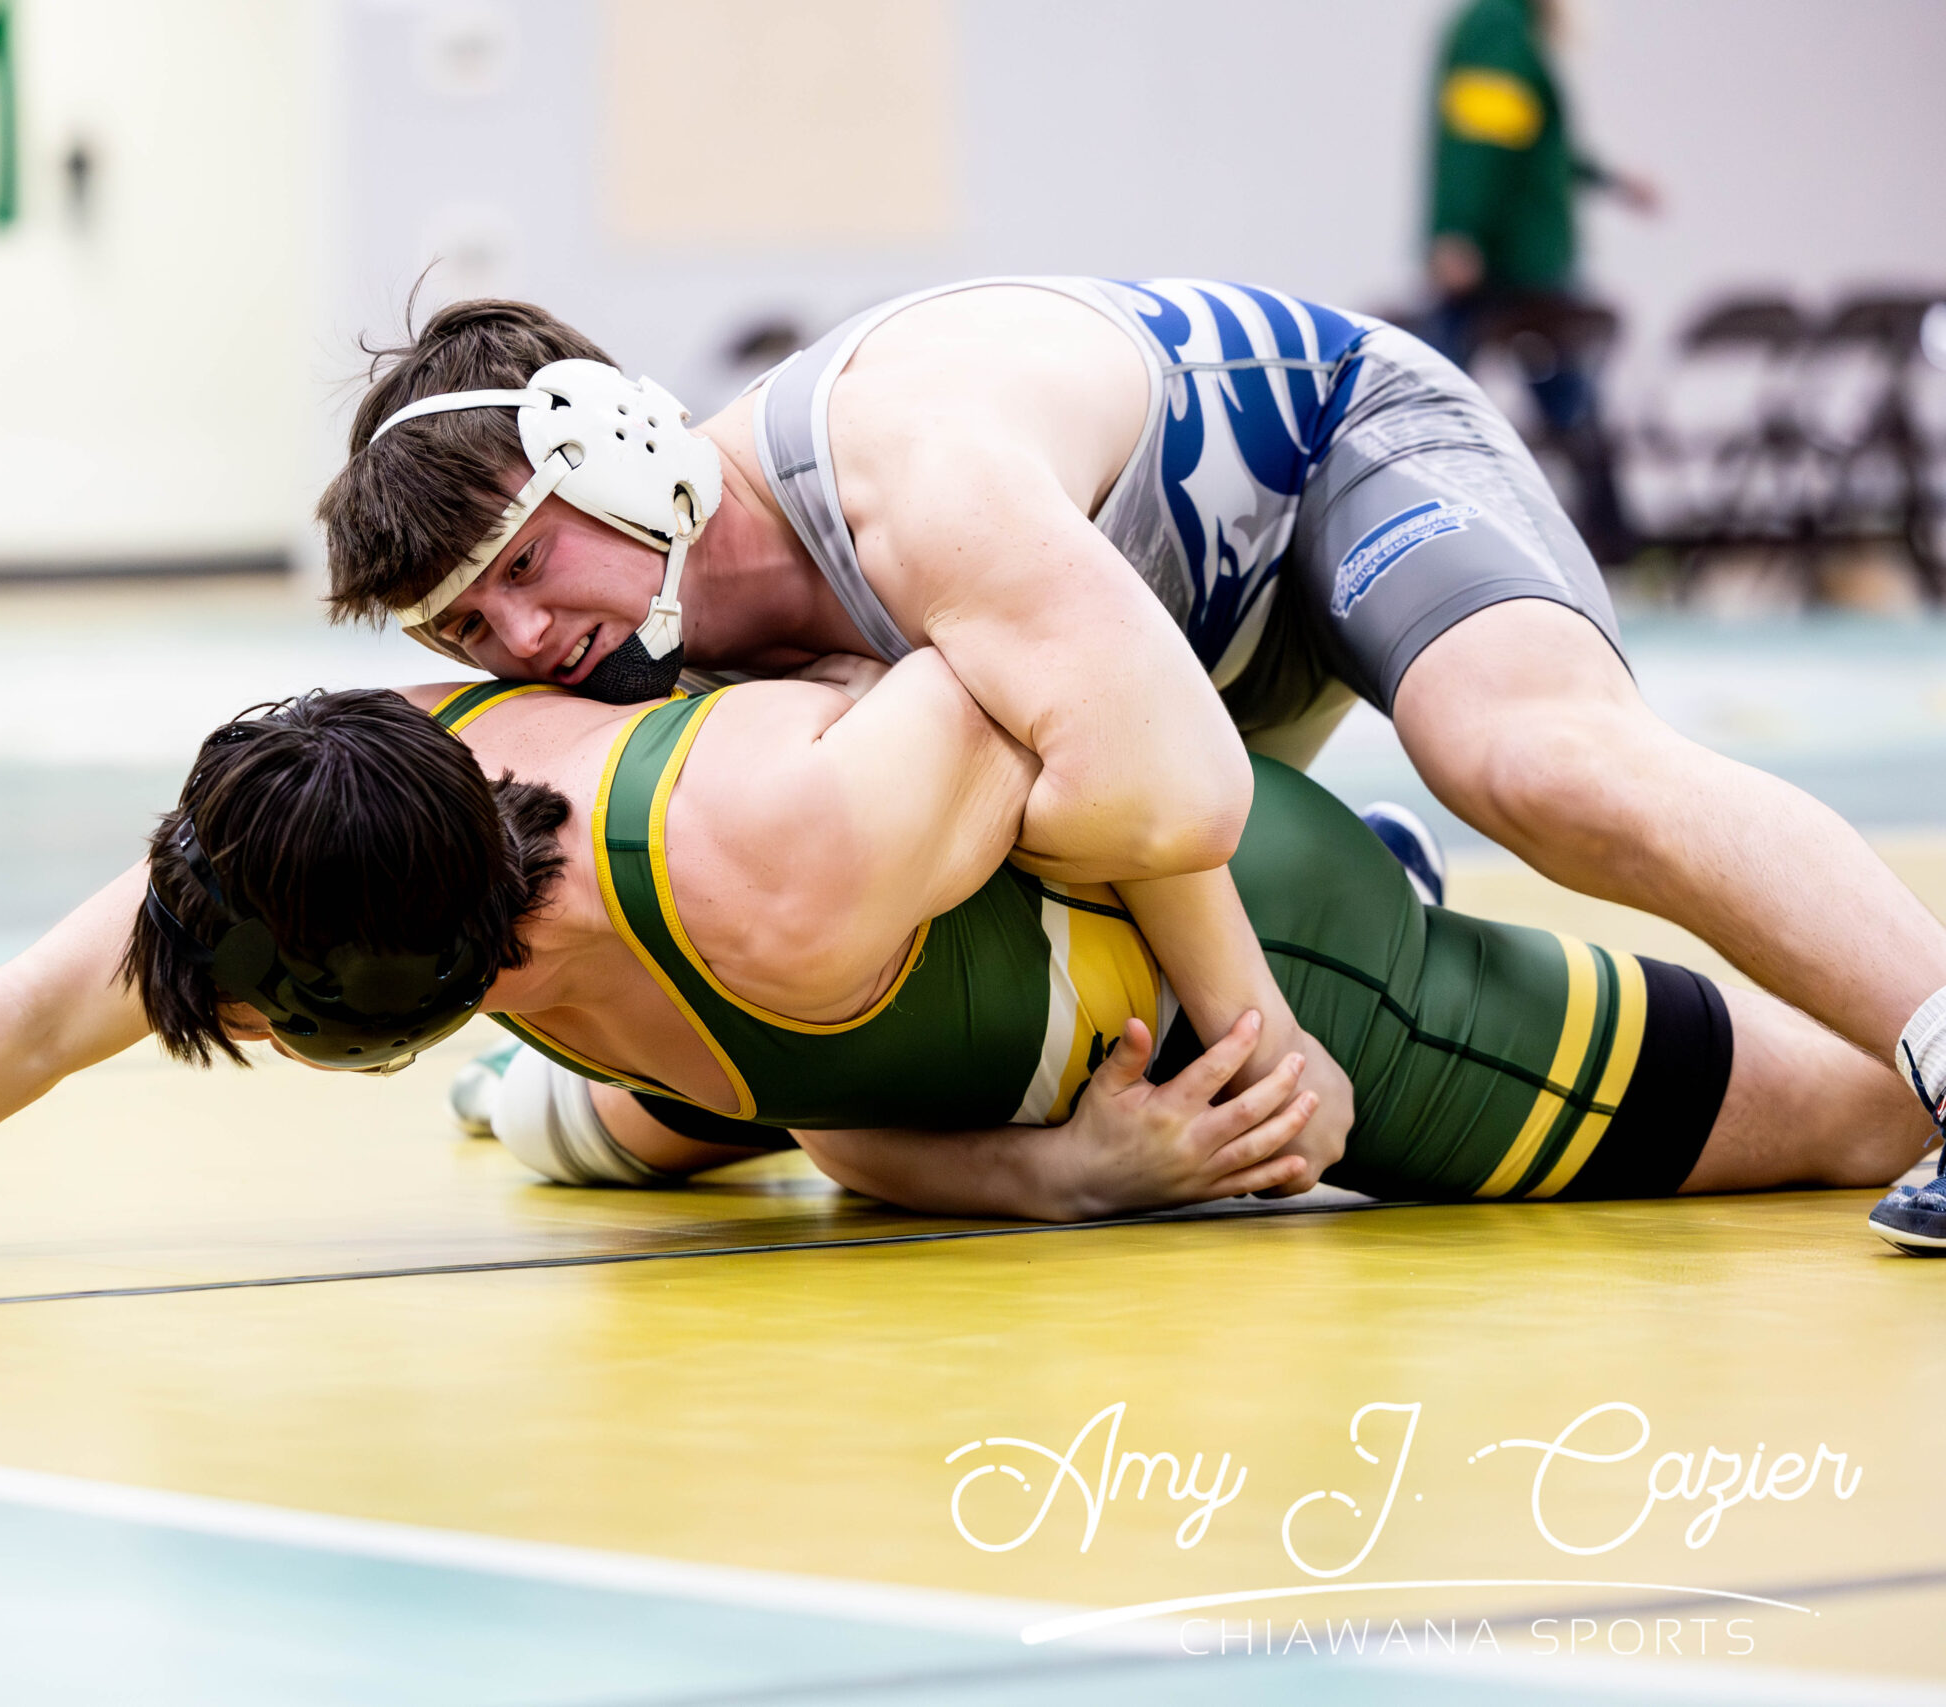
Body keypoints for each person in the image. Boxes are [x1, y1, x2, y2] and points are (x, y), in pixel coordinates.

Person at [0, 661, 1927, 1288]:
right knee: (689, 1126)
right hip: (892, 1048)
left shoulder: (790, 850)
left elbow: (1069, 652)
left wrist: (1224, 1028)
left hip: (1277, 957)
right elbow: (17, 1020)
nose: (230, 1037)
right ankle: (587, 1106)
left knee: (1854, 1116)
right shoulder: (329, 835)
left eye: (264, 1029)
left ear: (424, 970)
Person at [315, 293, 1946, 1248]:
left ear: (610, 437)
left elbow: (1174, 798)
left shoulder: (902, 465)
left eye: (522, 566)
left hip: (1328, 468)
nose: (521, 640)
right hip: (1159, 674)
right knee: (703, 1041)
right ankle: (527, 1096)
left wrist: (1262, 1039)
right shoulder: (656, 652)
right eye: (464, 627)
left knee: (1533, 757)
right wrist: (1056, 1173)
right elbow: (811, 1065)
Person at [1423, 0, 1658, 563]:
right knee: (1438, 397)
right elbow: (1482, 139)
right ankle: (1613, 539)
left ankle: (1611, 539)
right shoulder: (1499, 28)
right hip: (1509, 256)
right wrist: (1461, 230)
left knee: (1469, 395)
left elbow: (1529, 141)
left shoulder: (1510, 27)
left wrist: (1608, 179)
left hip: (1515, 257)